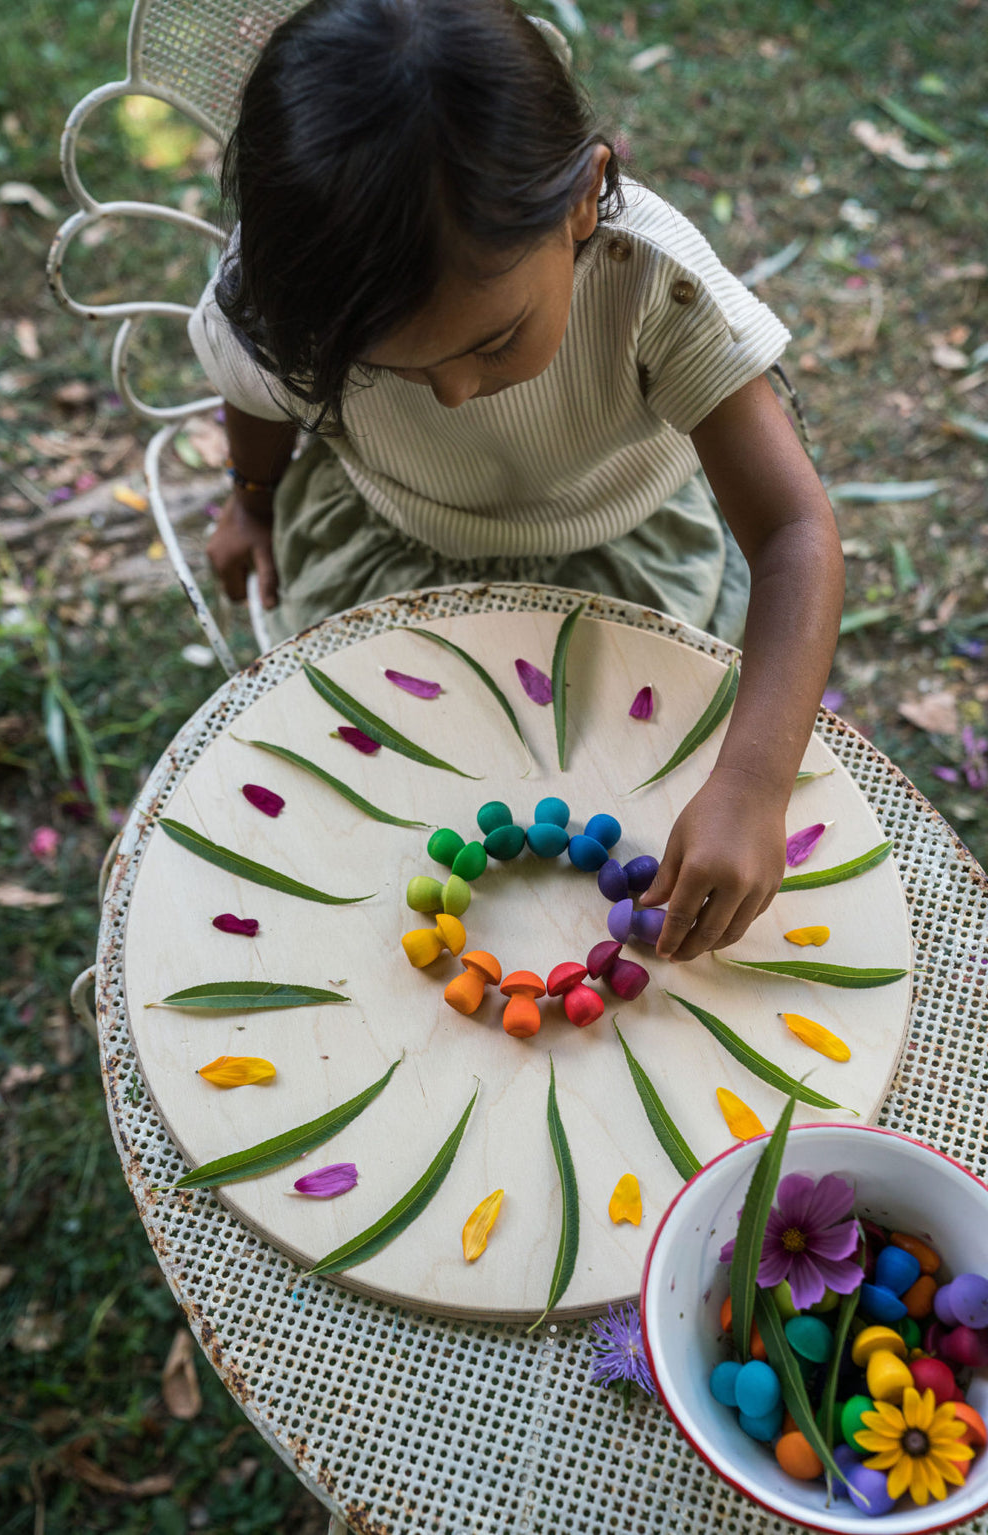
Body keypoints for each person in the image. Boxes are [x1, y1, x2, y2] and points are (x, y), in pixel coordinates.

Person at [188, 0, 844, 966]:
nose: (454, 393)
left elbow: (794, 529)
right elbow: (256, 390)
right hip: (395, 553)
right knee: (388, 832)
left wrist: (752, 782)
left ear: (585, 198)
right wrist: (251, 500)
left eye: (492, 341)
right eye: (397, 366)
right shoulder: (296, 286)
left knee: (617, 798)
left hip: (620, 559)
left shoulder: (649, 280)